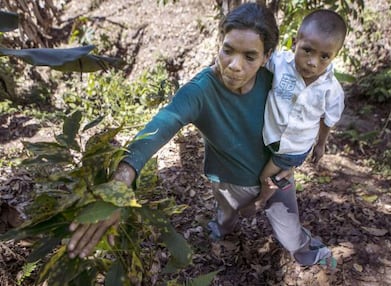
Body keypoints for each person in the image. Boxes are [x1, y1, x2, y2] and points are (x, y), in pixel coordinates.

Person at [68, 3, 336, 269]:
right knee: (226, 217)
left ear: (267, 57)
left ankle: (310, 253)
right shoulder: (201, 90)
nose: (234, 65)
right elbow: (163, 123)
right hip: (229, 182)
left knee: (290, 235)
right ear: (220, 44)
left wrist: (294, 160)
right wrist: (122, 178)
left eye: (250, 57)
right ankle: (221, 230)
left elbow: (310, 114)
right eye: (228, 50)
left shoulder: (279, 81)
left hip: (276, 178)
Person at [240, 9, 347, 218]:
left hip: (294, 148)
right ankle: (286, 172)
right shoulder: (280, 63)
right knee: (268, 165)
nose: (313, 62)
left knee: (265, 177)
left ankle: (261, 200)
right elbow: (259, 58)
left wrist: (321, 144)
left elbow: (328, 120)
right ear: (294, 41)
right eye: (307, 50)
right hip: (270, 135)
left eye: (324, 56)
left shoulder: (332, 91)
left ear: (335, 54)